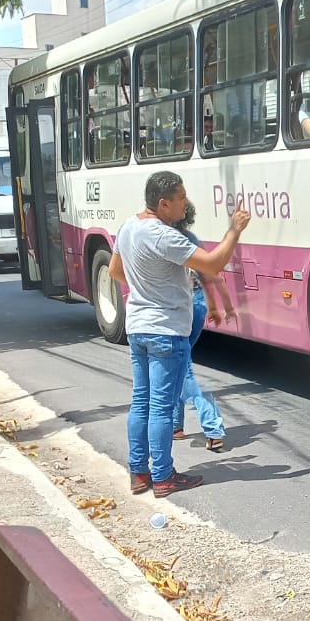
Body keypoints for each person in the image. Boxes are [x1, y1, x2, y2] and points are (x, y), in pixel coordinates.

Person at [109, 171, 249, 499]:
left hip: (138, 327)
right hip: (165, 330)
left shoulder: (128, 226)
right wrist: (234, 230)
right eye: (181, 198)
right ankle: (163, 476)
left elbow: (115, 271)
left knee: (141, 402)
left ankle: (138, 472)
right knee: (161, 407)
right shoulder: (163, 235)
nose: (185, 204)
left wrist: (147, 288)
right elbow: (212, 265)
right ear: (163, 203)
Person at [170, 204, 228, 453]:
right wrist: (214, 306)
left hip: (180, 310)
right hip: (198, 305)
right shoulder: (191, 238)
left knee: (183, 369)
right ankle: (176, 425)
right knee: (178, 364)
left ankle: (213, 427)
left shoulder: (164, 238)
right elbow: (208, 274)